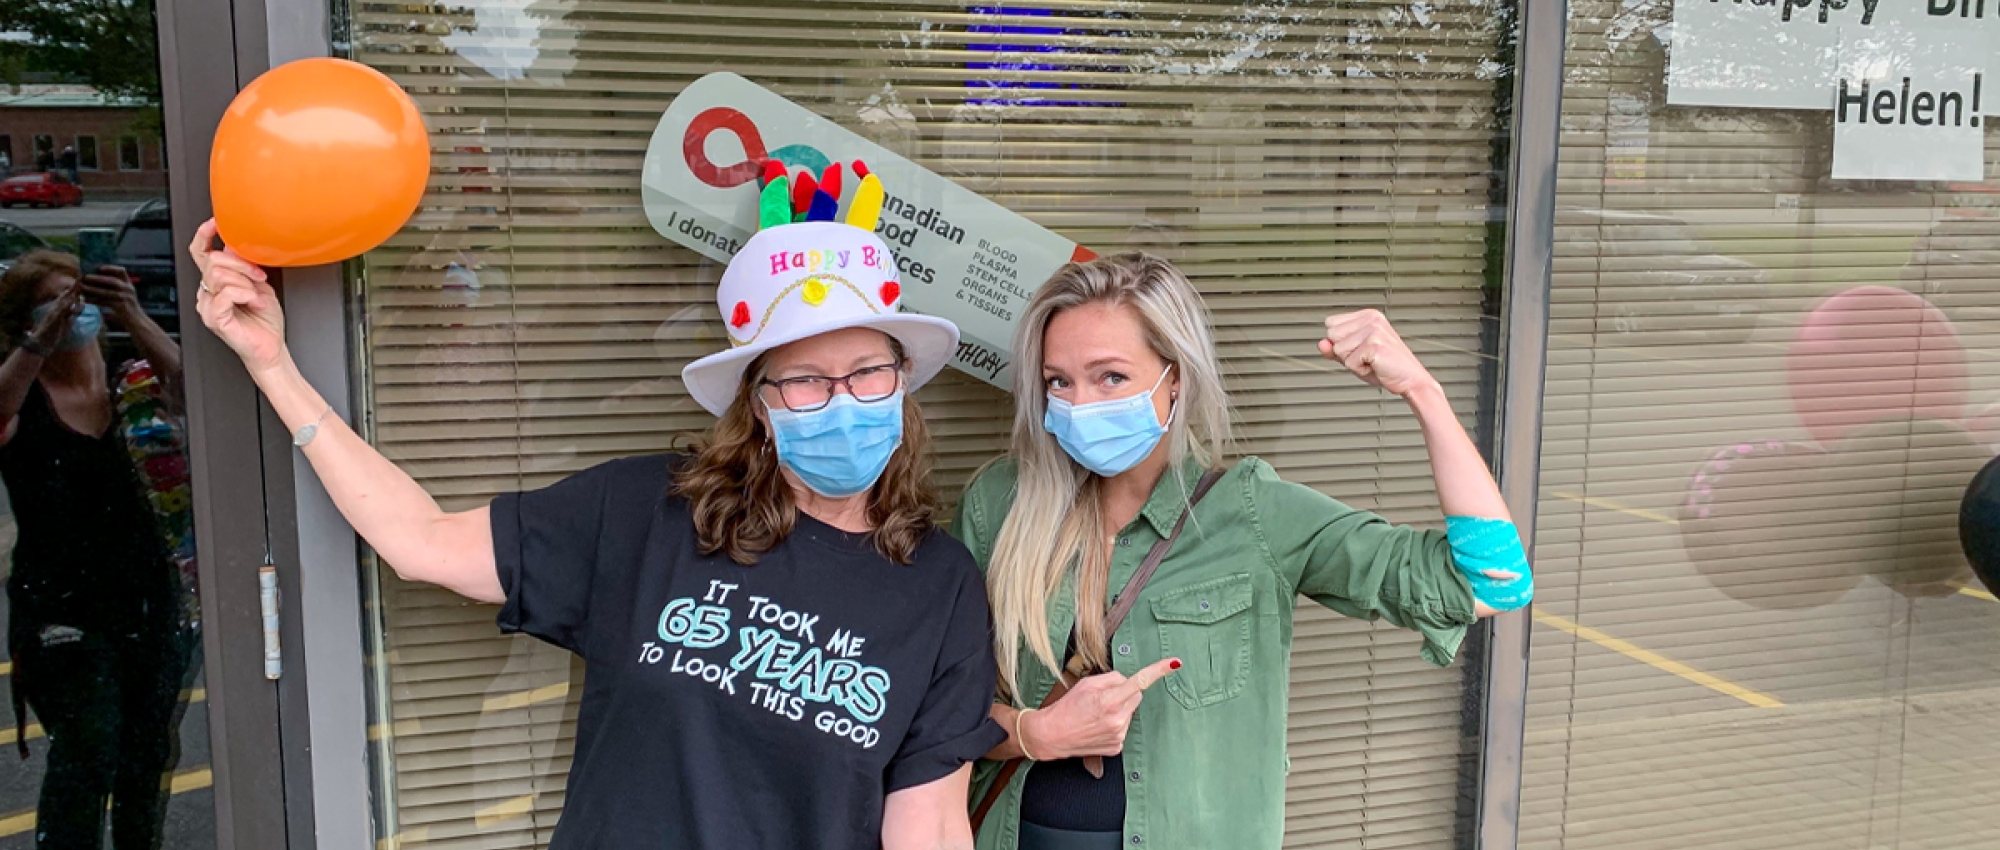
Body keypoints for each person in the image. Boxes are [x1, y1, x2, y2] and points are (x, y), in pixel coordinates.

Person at [187, 159, 1007, 850]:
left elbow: (928, 819)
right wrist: (272, 365)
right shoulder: (647, 513)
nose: (843, 399)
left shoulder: (939, 586)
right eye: (804, 379)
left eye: (868, 371)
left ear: (904, 386)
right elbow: (421, 542)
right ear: (760, 403)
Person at [953, 253, 1534, 850]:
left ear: (1173, 377)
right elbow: (938, 716)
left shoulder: (1251, 512)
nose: (1082, 403)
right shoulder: (999, 507)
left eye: (1111, 377)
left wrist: (1423, 391)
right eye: (1059, 381)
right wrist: (1037, 734)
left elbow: (1492, 584)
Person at [0, 250, 194, 850]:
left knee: (145, 755)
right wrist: (35, 344)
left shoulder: (131, 377)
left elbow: (201, 397)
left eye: (79, 298)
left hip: (147, 599)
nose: (71, 312)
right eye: (54, 304)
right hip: (60, 608)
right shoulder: (22, 395)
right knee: (88, 747)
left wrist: (133, 315)